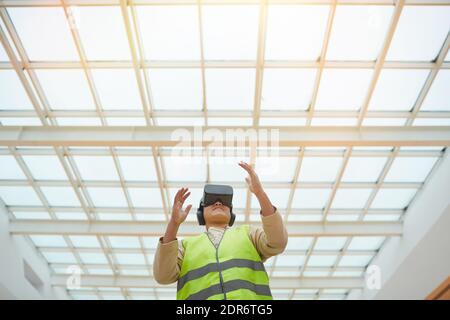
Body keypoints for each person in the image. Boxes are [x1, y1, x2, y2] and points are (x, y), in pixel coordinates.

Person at [153, 161, 288, 300]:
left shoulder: (249, 234)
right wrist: (173, 224)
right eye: (211, 201)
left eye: (224, 202)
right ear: (200, 213)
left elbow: (278, 242)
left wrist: (260, 194)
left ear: (231, 214)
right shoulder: (185, 247)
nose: (218, 203)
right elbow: (163, 276)